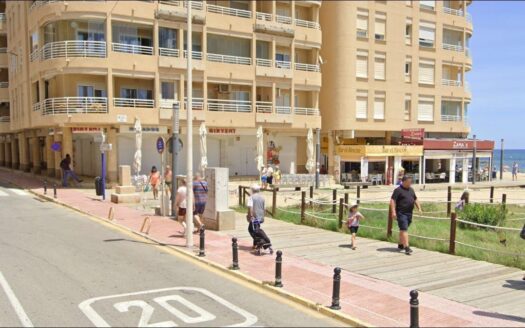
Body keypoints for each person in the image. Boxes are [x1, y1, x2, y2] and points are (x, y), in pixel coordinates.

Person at [390, 176, 422, 255]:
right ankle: (406, 247)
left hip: (409, 213)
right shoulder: (398, 190)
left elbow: (415, 199)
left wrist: (419, 208)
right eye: (409, 182)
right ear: (404, 181)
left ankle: (401, 244)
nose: (410, 183)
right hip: (401, 213)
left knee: (403, 228)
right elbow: (392, 201)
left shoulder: (411, 189)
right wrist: (393, 212)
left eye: (411, 182)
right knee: (404, 229)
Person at [247, 184, 273, 255]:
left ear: (252, 190)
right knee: (255, 229)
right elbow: (264, 209)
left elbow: (250, 208)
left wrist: (250, 216)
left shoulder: (251, 197)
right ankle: (255, 245)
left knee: (252, 230)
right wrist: (262, 216)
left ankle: (261, 242)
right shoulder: (262, 198)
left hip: (254, 218)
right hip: (260, 217)